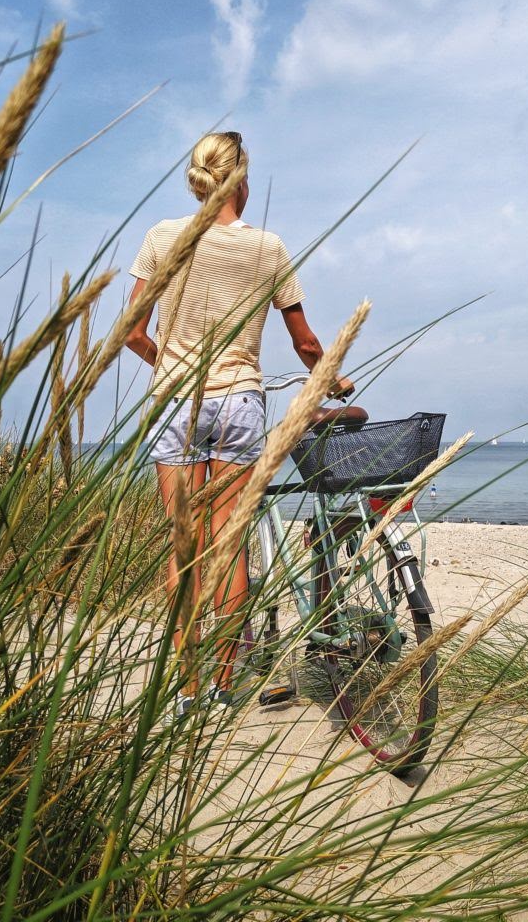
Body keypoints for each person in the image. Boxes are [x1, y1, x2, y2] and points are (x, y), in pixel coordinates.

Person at [125, 131, 353, 716]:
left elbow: (130, 332)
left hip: (177, 403)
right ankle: (224, 687)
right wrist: (330, 377)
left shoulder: (161, 238)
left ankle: (187, 689)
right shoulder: (269, 247)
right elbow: (304, 342)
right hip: (239, 404)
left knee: (185, 550)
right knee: (230, 548)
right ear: (242, 182)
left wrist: (169, 366)